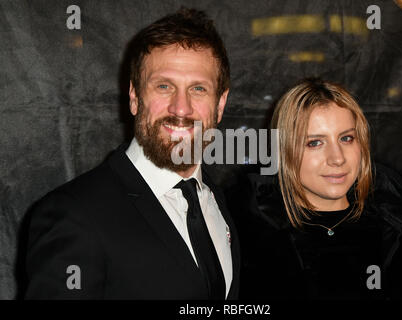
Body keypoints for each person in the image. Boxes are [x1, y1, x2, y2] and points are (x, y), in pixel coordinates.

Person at [24, 8, 240, 299]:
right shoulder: (73, 215)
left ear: (220, 104)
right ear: (135, 97)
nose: (181, 108)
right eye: (164, 86)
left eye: (198, 89)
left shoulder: (217, 199)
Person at [235, 78, 402, 299]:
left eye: (347, 138)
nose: (337, 158)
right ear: (284, 151)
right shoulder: (246, 238)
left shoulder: (401, 223)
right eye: (314, 143)